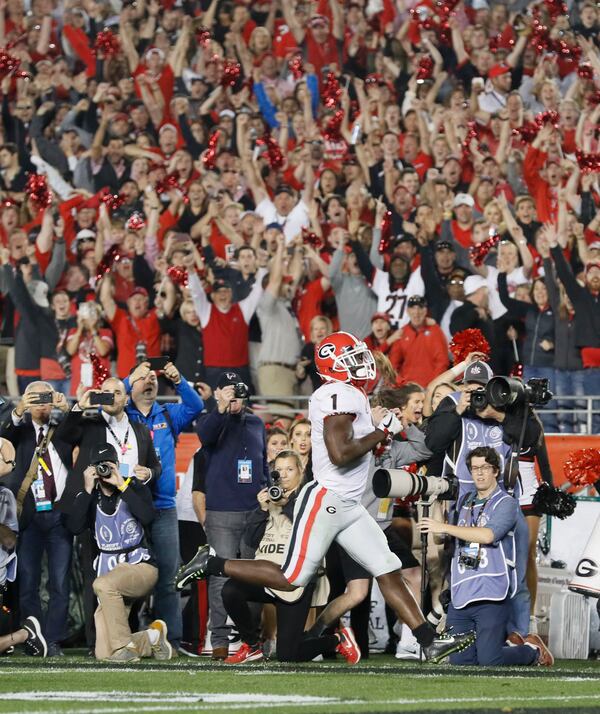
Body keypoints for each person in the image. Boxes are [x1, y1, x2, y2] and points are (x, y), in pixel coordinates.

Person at [177, 332, 474, 663]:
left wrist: (376, 425)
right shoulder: (335, 393)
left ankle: (428, 641)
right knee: (291, 578)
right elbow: (339, 453)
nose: (362, 364)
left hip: (348, 505)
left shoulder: (351, 394)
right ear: (335, 365)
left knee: (387, 568)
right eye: (353, 358)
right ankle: (211, 563)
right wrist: (382, 431)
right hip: (327, 501)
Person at [419, 447, 553, 667]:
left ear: (496, 471)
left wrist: (442, 525)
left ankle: (531, 652)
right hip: (462, 593)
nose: (479, 473)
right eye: (474, 468)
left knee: (489, 660)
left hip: (491, 591)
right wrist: (435, 500)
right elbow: (440, 537)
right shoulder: (464, 501)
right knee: (462, 662)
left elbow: (488, 535)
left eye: (485, 468)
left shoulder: (506, 503)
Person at [221, 450, 359, 664]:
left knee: (288, 655)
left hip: (295, 580)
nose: (283, 475)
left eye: (289, 469)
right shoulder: (270, 496)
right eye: (279, 470)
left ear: (301, 471)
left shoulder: (311, 496)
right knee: (230, 589)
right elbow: (250, 541)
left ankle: (337, 640)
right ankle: (252, 646)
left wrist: (287, 505)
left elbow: (314, 532)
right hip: (267, 574)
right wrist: (262, 509)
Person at [63, 442, 172, 663]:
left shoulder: (134, 487)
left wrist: (123, 485)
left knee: (102, 584)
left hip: (140, 567)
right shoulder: (89, 495)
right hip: (111, 577)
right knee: (104, 653)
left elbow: (149, 517)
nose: (105, 470)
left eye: (109, 465)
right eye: (100, 466)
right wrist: (85, 489)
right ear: (92, 469)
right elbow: (74, 527)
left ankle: (125, 647)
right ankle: (152, 638)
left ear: (118, 465)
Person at [123, 360, 204, 652]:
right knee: (129, 576)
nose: (149, 382)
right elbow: (104, 401)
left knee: (169, 578)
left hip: (164, 507)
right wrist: (128, 379)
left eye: (153, 379)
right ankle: (125, 637)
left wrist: (180, 379)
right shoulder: (123, 414)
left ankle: (171, 640)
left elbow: (196, 406)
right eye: (143, 379)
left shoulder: (168, 414)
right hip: (129, 507)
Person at [193, 370, 269, 660]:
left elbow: (262, 464)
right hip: (222, 512)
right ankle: (219, 639)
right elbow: (205, 435)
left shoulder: (256, 423)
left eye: (236, 390)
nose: (233, 395)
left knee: (253, 577)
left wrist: (267, 496)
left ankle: (250, 640)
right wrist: (221, 407)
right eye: (226, 390)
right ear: (217, 393)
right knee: (220, 577)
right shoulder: (211, 421)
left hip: (254, 511)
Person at [0, 382, 73, 656]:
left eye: (46, 396)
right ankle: (33, 638)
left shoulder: (63, 428)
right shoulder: (18, 431)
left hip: (58, 514)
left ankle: (53, 640)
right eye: (36, 397)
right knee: (28, 580)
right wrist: (19, 409)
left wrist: (68, 409)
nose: (42, 402)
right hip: (28, 516)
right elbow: (2, 436)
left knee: (60, 580)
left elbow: (84, 435)